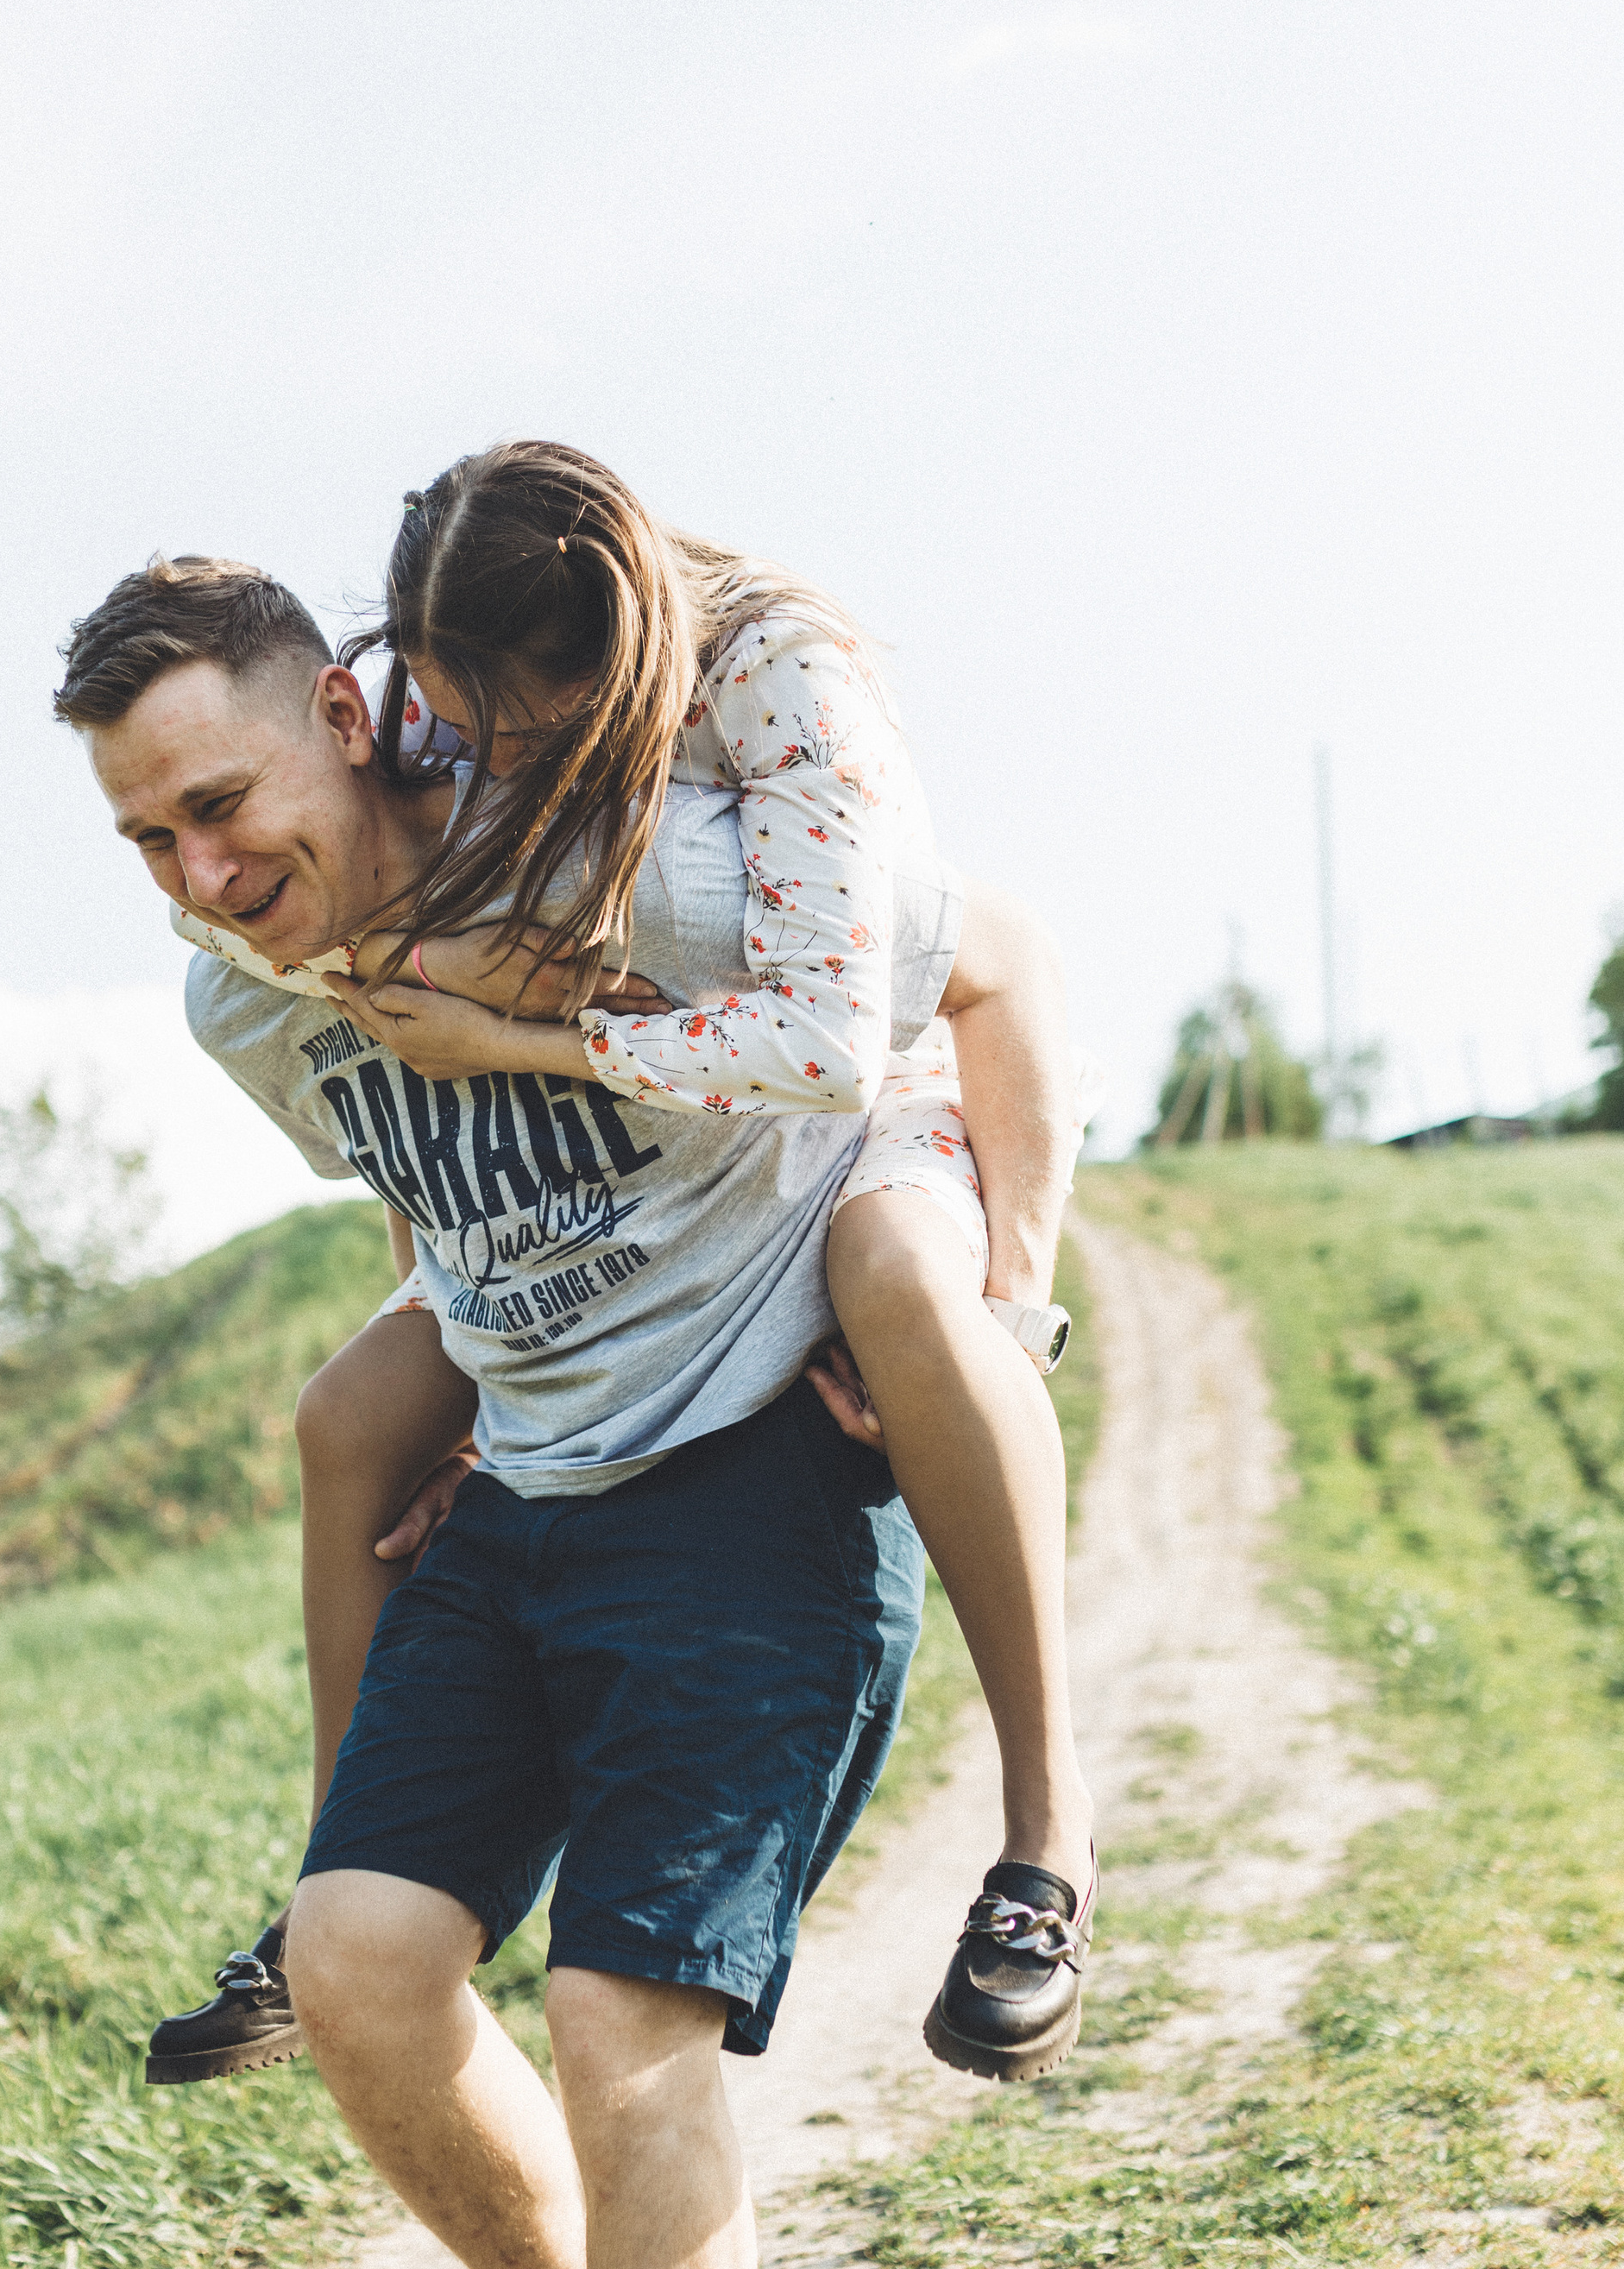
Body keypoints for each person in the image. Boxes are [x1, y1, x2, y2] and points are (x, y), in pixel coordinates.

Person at [49, 498, 1081, 2269]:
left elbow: (993, 959)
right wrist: (464, 1375)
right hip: (520, 1496)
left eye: (224, 805)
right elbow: (432, 1189)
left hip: (751, 1482)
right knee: (364, 1969)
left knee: (628, 2030)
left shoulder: (635, 867)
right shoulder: (241, 1005)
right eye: (145, 840)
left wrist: (990, 1276)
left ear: (349, 713)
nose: (202, 870)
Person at [136, 445, 1094, 2108]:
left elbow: (983, 974)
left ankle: (1049, 1832)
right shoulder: (432, 720)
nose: (493, 773)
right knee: (353, 1412)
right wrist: (480, 1345)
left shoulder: (783, 701)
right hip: (629, 1103)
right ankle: (319, 1899)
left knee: (903, 1291)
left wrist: (1017, 1292)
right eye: (458, 727)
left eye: (527, 735)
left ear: (612, 677)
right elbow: (417, 1142)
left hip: (858, 1092)